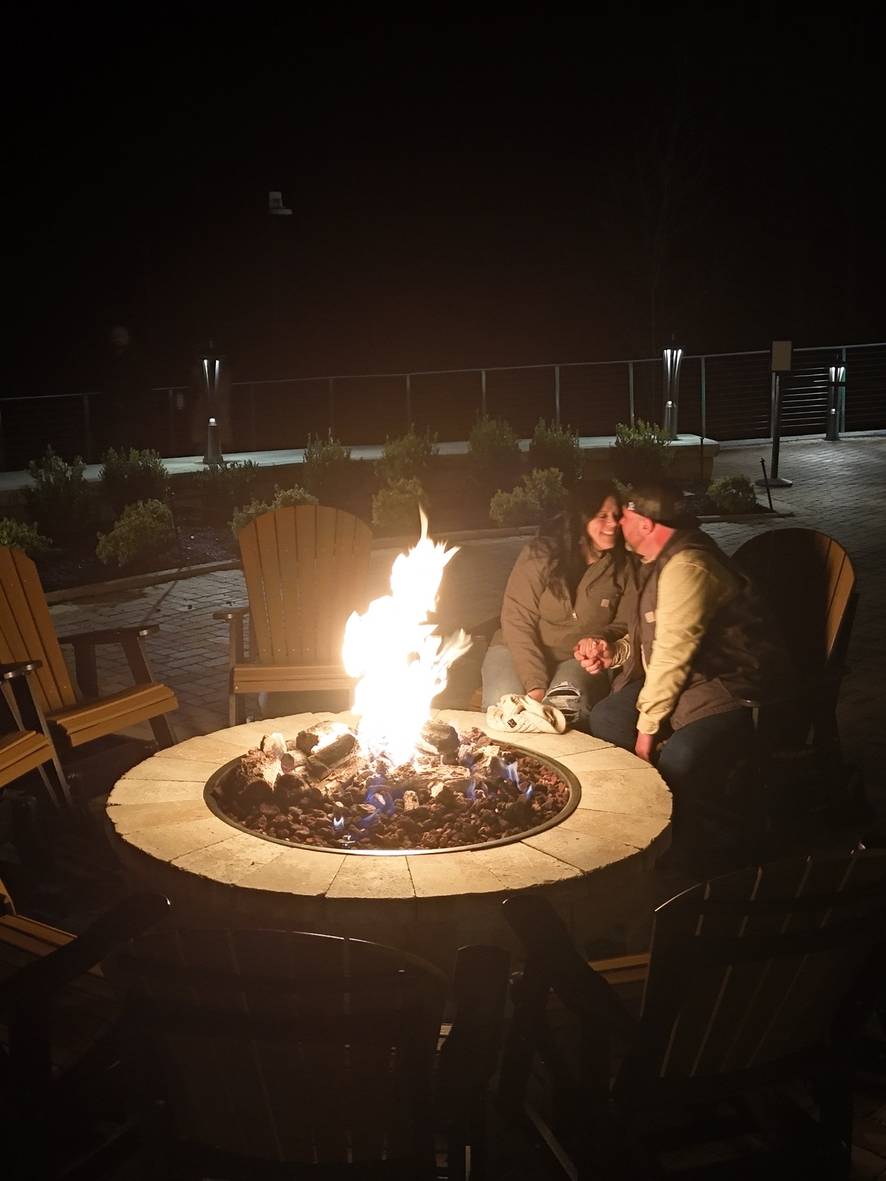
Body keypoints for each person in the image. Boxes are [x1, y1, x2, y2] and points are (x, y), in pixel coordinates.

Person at [575, 482, 791, 874]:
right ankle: (634, 817)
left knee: (679, 759)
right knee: (607, 716)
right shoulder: (654, 561)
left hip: (732, 685)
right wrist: (615, 652)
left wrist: (646, 733)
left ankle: (687, 850)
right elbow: (651, 636)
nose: (618, 523)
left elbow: (673, 656)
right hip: (689, 679)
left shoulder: (687, 567)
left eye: (625, 516)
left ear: (645, 523)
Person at [481, 481, 635, 727]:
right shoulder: (541, 555)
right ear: (580, 518)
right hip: (517, 648)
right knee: (505, 710)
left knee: (565, 710)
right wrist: (535, 685)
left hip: (576, 658)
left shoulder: (623, 566)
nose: (613, 523)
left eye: (616, 516)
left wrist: (599, 639)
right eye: (602, 516)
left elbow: (625, 622)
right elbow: (517, 619)